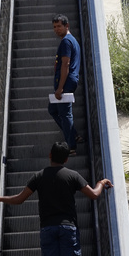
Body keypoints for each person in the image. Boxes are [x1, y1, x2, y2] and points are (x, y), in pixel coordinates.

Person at [48, 13, 81, 152]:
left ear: (67, 26)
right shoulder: (71, 40)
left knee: (65, 114)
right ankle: (74, 135)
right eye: (54, 27)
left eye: (59, 26)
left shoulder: (67, 42)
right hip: (69, 81)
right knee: (53, 109)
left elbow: (65, 65)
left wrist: (60, 88)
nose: (56, 29)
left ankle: (71, 146)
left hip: (66, 82)